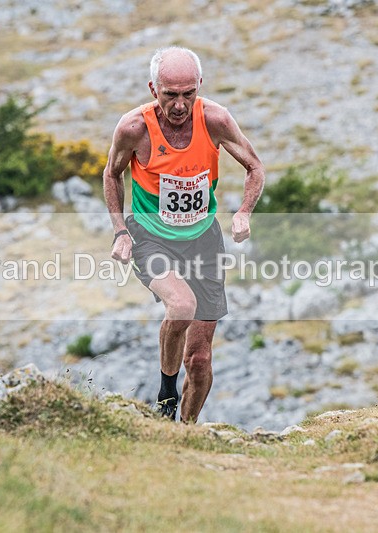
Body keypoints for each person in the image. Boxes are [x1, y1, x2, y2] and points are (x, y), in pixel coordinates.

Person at [103, 47, 265, 423]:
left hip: (203, 239)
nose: (179, 105)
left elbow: (254, 166)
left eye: (188, 94)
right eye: (169, 95)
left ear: (199, 87)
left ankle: (185, 433)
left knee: (201, 359)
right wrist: (120, 232)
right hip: (151, 237)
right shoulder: (134, 128)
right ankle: (165, 397)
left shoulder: (216, 121)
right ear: (153, 89)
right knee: (181, 306)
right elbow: (112, 173)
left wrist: (243, 212)